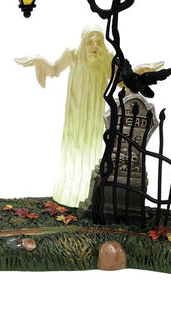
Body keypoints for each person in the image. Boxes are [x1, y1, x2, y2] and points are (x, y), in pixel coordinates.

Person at [15, 25, 113, 207]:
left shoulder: (106, 58)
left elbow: (121, 80)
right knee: (74, 147)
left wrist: (139, 72)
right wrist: (40, 61)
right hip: (75, 112)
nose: (95, 46)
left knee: (90, 149)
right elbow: (54, 69)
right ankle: (69, 193)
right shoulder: (73, 54)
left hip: (94, 114)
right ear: (83, 42)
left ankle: (89, 194)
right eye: (90, 42)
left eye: (99, 42)